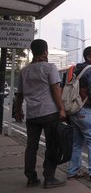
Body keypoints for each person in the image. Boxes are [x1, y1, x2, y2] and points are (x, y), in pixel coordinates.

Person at [13, 39, 66, 188]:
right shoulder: (50, 67)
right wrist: (61, 109)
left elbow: (20, 94)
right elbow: (56, 89)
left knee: (31, 146)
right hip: (49, 113)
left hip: (32, 115)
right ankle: (49, 178)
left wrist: (18, 111)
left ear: (32, 51)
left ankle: (31, 177)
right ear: (45, 52)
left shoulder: (24, 71)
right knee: (51, 145)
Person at [66, 46, 91, 182]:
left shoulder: (77, 69)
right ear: (89, 57)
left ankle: (72, 171)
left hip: (75, 111)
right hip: (87, 111)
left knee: (77, 143)